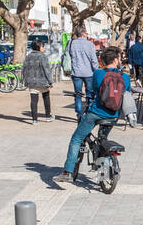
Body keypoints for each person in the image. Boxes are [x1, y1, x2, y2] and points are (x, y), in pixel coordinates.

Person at [54, 47, 131, 182]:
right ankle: (103, 174)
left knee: (77, 139)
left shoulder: (98, 74)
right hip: (113, 115)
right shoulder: (125, 77)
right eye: (119, 58)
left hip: (95, 113)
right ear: (115, 59)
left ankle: (68, 172)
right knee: (104, 140)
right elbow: (127, 92)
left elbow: (93, 90)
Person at [68, 27, 99, 119]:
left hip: (76, 72)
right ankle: (89, 112)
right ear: (83, 34)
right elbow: (94, 60)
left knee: (78, 94)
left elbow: (69, 56)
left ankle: (79, 114)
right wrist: (96, 70)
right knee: (90, 93)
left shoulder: (71, 43)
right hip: (88, 72)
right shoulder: (89, 44)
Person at [22, 41, 54, 124]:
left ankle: (34, 119)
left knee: (33, 100)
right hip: (43, 81)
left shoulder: (28, 56)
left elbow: (24, 69)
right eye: (42, 46)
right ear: (39, 47)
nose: (43, 48)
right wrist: (50, 82)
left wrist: (25, 80)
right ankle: (48, 116)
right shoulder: (42, 56)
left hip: (32, 82)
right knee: (46, 98)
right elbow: (47, 70)